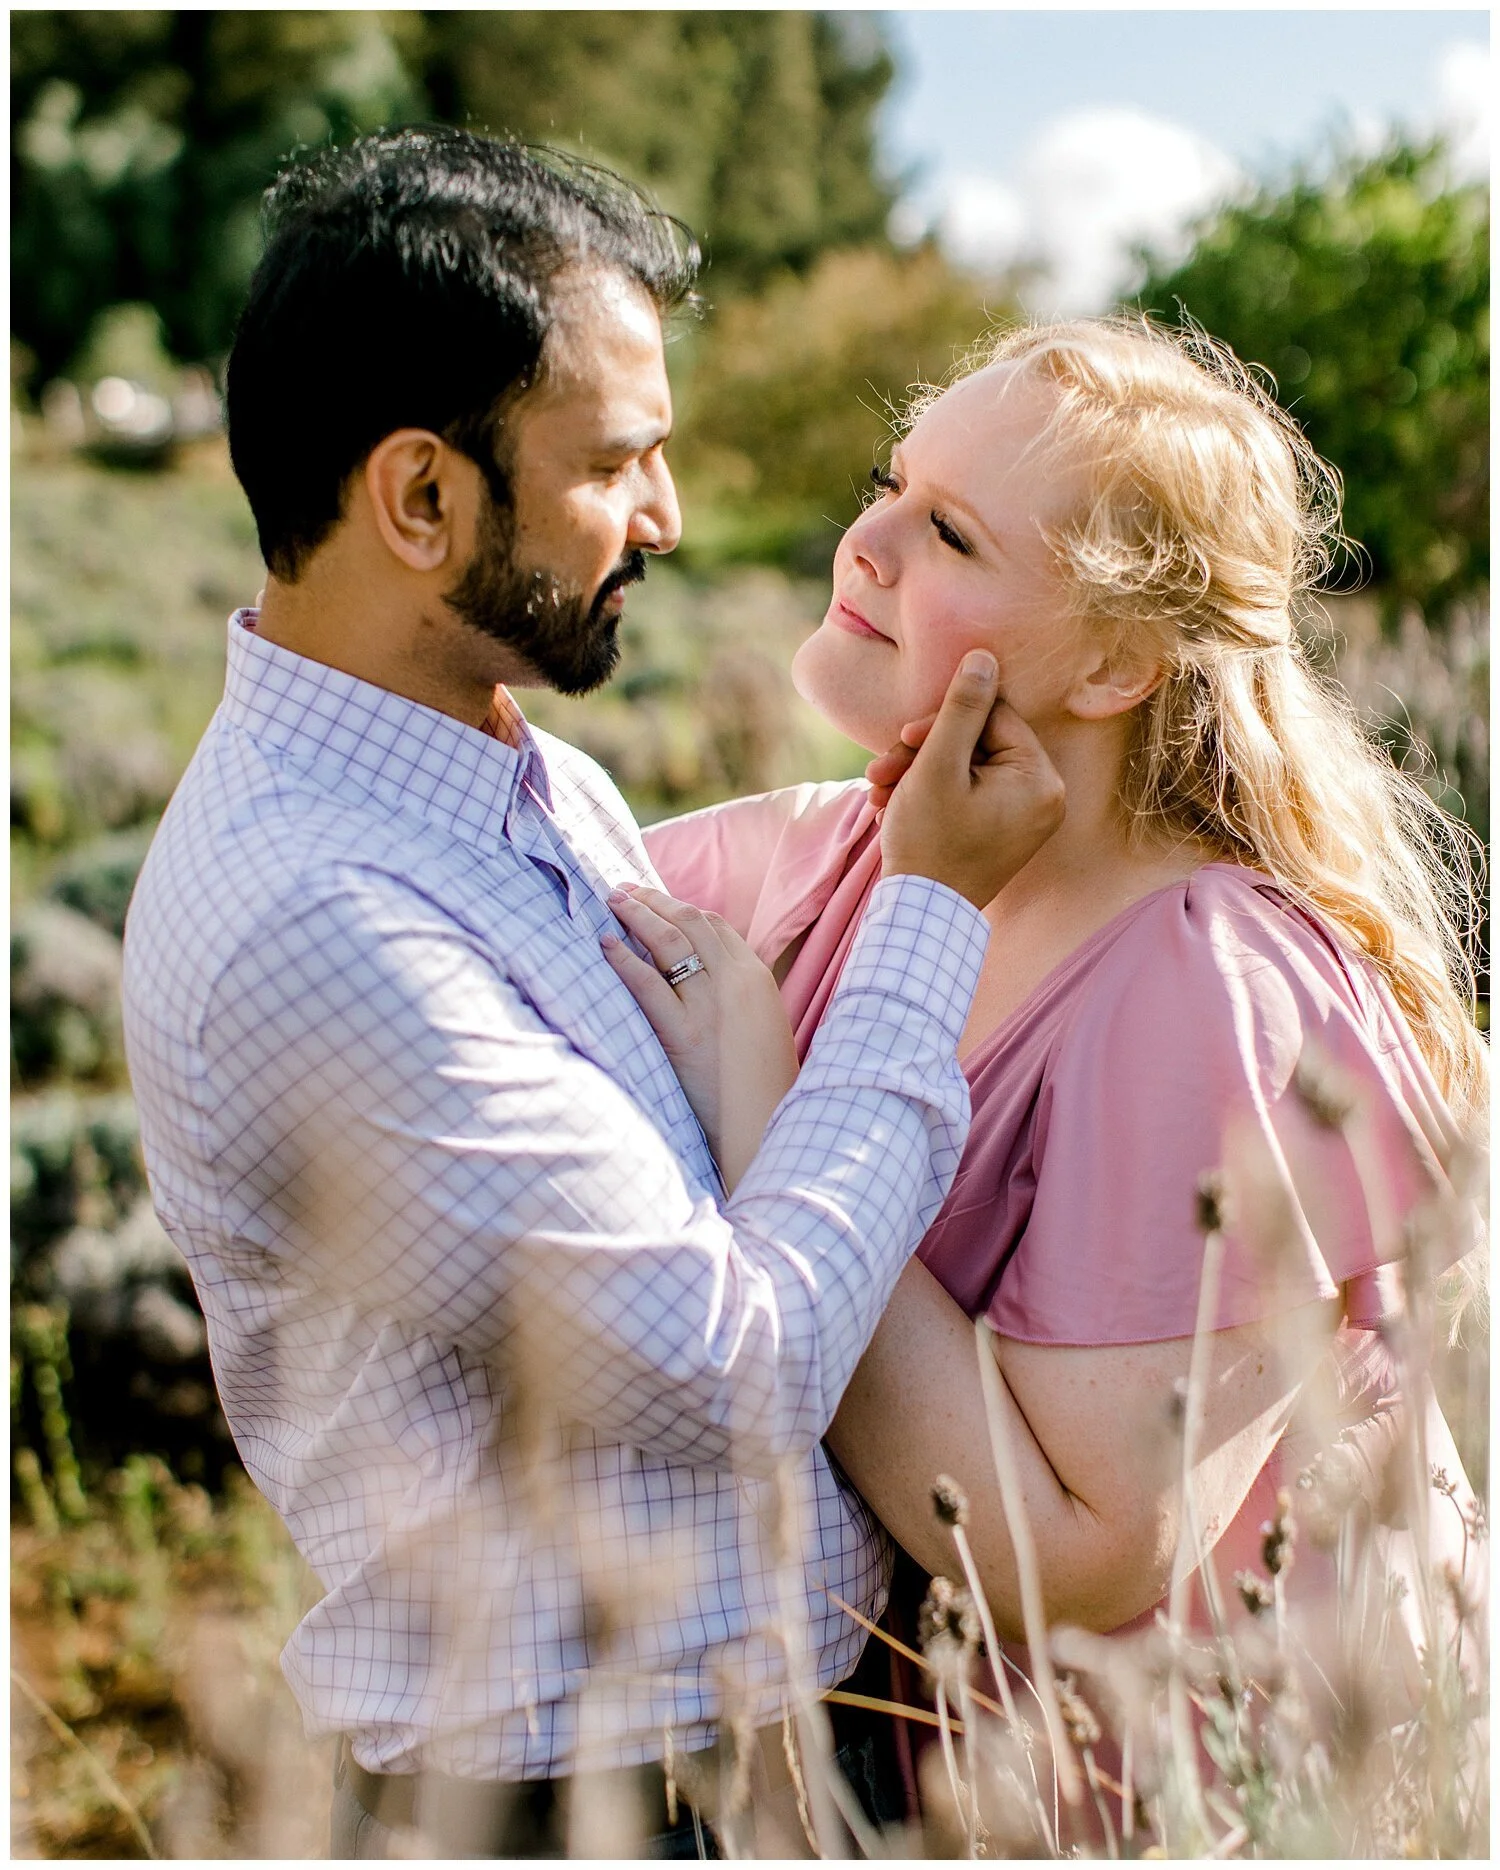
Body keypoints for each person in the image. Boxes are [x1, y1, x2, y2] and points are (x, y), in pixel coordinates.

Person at [120, 128, 1068, 1859]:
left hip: (767, 1748)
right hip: (593, 1807)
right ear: (422, 499)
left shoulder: (507, 763)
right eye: (619, 462)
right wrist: (930, 902)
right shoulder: (313, 916)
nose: (671, 518)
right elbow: (735, 1368)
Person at [634, 315, 1487, 1837]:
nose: (868, 539)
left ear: (1112, 660)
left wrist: (765, 1105)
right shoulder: (846, 845)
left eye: (948, 528)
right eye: (888, 484)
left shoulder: (1201, 982)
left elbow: (1087, 1551)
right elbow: (521, 906)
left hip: (1225, 1803)